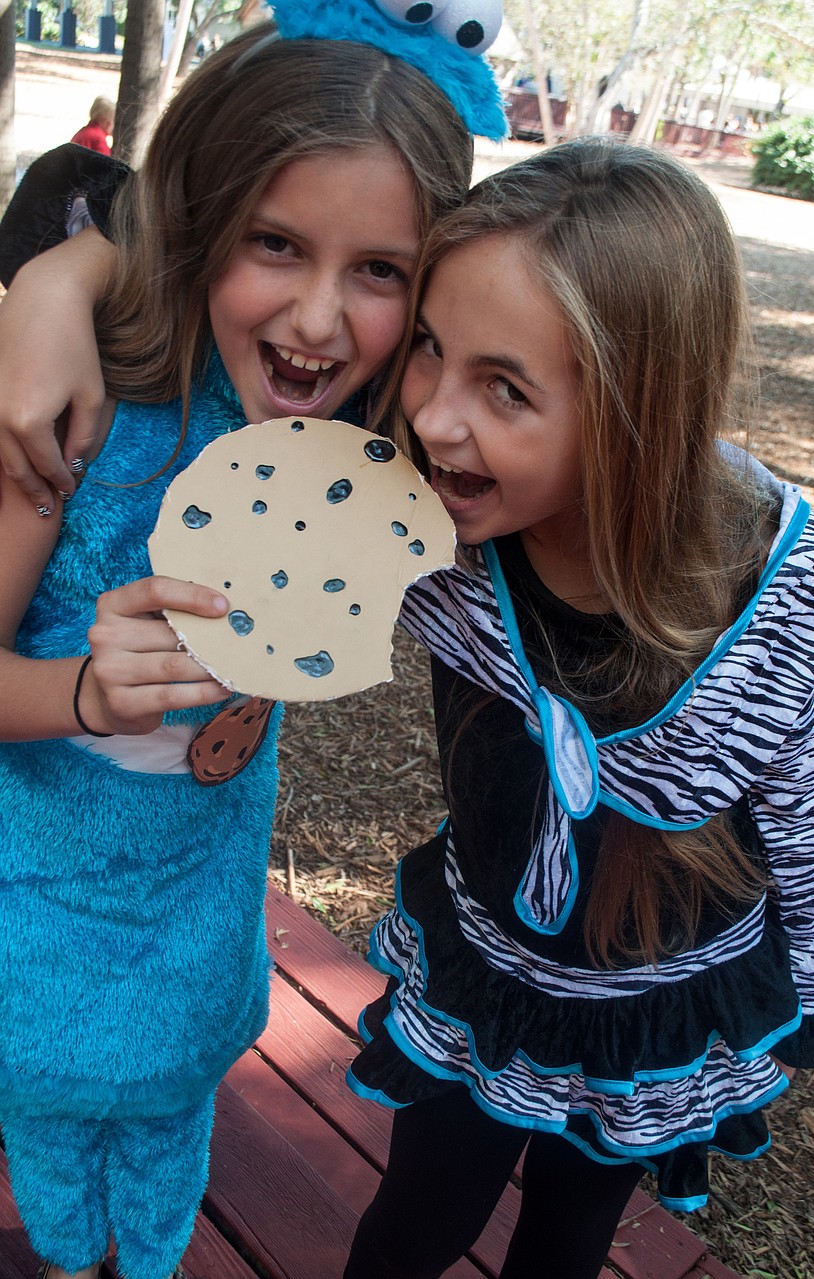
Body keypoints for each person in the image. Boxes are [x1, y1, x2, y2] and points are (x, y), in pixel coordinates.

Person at [0, 7, 504, 1276]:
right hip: (35, 928)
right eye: (274, 243)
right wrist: (76, 690)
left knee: (172, 1127)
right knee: (57, 1156)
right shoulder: (74, 413)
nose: (321, 322)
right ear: (204, 220)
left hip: (200, 925)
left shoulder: (377, 450)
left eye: (381, 271)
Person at [340, 139, 814, 1279]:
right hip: (488, 967)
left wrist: (811, 981)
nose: (432, 417)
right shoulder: (422, 529)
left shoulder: (753, 611)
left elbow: (796, 801)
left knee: (567, 1238)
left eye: (504, 387)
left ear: (634, 411)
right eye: (430, 347)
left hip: (653, 1004)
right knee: (416, 1215)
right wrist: (61, 282)